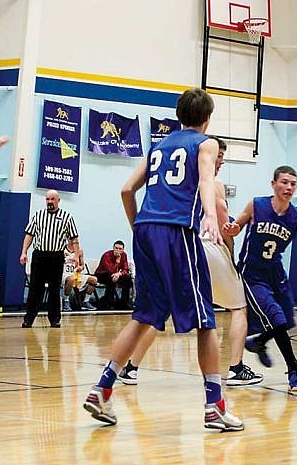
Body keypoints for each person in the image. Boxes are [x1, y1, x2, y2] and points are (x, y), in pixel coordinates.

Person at [83, 87, 243, 431]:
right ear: (207, 119)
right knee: (205, 320)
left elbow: (127, 190)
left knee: (144, 316)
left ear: (178, 115)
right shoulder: (206, 143)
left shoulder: (158, 145)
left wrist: (138, 226)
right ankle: (214, 406)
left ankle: (102, 389)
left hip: (145, 231)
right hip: (177, 232)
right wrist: (210, 219)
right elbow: (204, 177)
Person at [118, 136, 262, 387]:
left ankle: (130, 368)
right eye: (219, 157)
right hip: (201, 244)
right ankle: (234, 370)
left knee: (156, 312)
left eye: (223, 159)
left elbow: (127, 190)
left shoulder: (169, 172)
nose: (220, 163)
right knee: (236, 308)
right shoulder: (212, 183)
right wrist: (230, 251)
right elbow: (221, 218)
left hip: (164, 242)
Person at [223, 166, 297, 390]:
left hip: (275, 273)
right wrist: (232, 228)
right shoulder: (256, 205)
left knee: (287, 320)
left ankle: (259, 341)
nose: (288, 187)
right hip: (252, 273)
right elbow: (237, 226)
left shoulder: (296, 217)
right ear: (273, 184)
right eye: (284, 182)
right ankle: (294, 370)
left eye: (292, 184)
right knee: (276, 318)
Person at [20, 189, 79, 328]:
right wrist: (24, 252)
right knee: (35, 289)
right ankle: (29, 318)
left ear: (58, 200)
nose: (50, 202)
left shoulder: (67, 217)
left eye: (52, 199)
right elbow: (29, 235)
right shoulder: (38, 215)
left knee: (54, 289)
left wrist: (76, 256)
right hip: (39, 256)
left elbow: (74, 238)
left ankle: (54, 319)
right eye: (47, 199)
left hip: (56, 257)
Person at [95, 240, 133, 309]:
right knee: (111, 278)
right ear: (113, 248)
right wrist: (117, 261)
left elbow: (126, 269)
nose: (118, 250)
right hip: (102, 274)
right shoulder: (107, 255)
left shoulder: (124, 255)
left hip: (115, 274)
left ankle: (124, 303)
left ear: (123, 250)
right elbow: (110, 270)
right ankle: (109, 303)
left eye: (120, 249)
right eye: (116, 248)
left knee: (127, 279)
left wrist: (119, 274)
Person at [62, 242, 97, 311]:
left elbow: (82, 265)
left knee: (94, 279)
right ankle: (66, 301)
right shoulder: (62, 249)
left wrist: (80, 268)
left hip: (75, 274)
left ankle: (86, 301)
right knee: (71, 279)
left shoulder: (79, 251)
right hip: (63, 274)